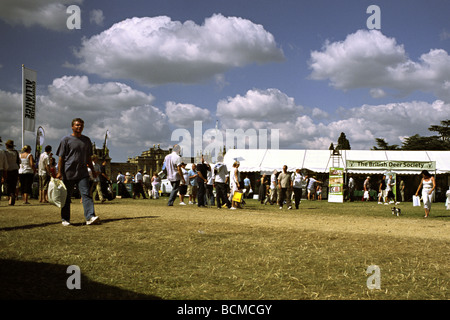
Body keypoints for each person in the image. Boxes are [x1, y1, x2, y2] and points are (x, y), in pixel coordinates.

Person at [56, 118, 100, 226]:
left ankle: (90, 217)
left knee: (86, 194)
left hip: (82, 173)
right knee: (66, 197)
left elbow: (89, 158)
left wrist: (93, 170)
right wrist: (59, 172)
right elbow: (61, 157)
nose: (79, 127)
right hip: (68, 172)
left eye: (81, 125)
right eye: (77, 125)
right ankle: (65, 219)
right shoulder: (65, 140)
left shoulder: (87, 140)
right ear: (72, 127)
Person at [5, 140, 20, 205]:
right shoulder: (16, 152)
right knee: (14, 184)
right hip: (15, 169)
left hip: (8, 169)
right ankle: (13, 195)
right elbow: (19, 161)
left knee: (8, 184)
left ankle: (10, 196)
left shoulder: (5, 153)